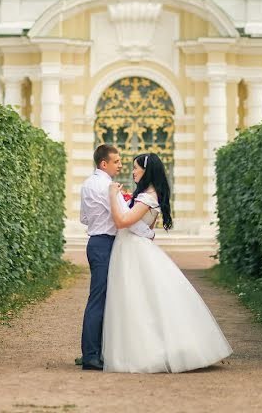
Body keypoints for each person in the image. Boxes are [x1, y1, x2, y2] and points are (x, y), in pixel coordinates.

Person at [102, 152, 232, 373]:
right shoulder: (149, 194)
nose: (132, 171)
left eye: (136, 168)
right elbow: (147, 228)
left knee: (136, 300)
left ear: (147, 170)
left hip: (132, 250)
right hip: (133, 247)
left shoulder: (147, 196)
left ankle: (147, 353)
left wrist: (113, 196)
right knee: (141, 299)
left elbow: (122, 221)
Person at [79, 144, 155, 371]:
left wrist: (99, 219)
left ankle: (96, 352)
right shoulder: (106, 186)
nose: (121, 165)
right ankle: (91, 356)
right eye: (117, 161)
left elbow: (84, 218)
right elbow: (124, 218)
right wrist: (149, 234)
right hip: (105, 243)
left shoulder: (87, 184)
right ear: (105, 163)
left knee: (102, 298)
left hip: (95, 241)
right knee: (99, 300)